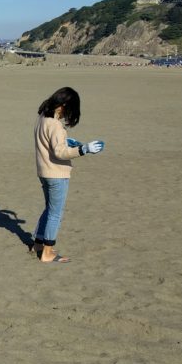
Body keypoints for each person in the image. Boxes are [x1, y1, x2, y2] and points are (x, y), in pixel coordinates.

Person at [31, 87, 104, 263]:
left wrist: (67, 142)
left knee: (49, 209)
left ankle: (38, 244)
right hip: (56, 173)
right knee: (56, 213)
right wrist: (83, 149)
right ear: (63, 105)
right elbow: (60, 153)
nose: (68, 115)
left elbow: (51, 144)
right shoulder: (55, 125)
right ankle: (47, 253)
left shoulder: (42, 118)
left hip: (43, 171)